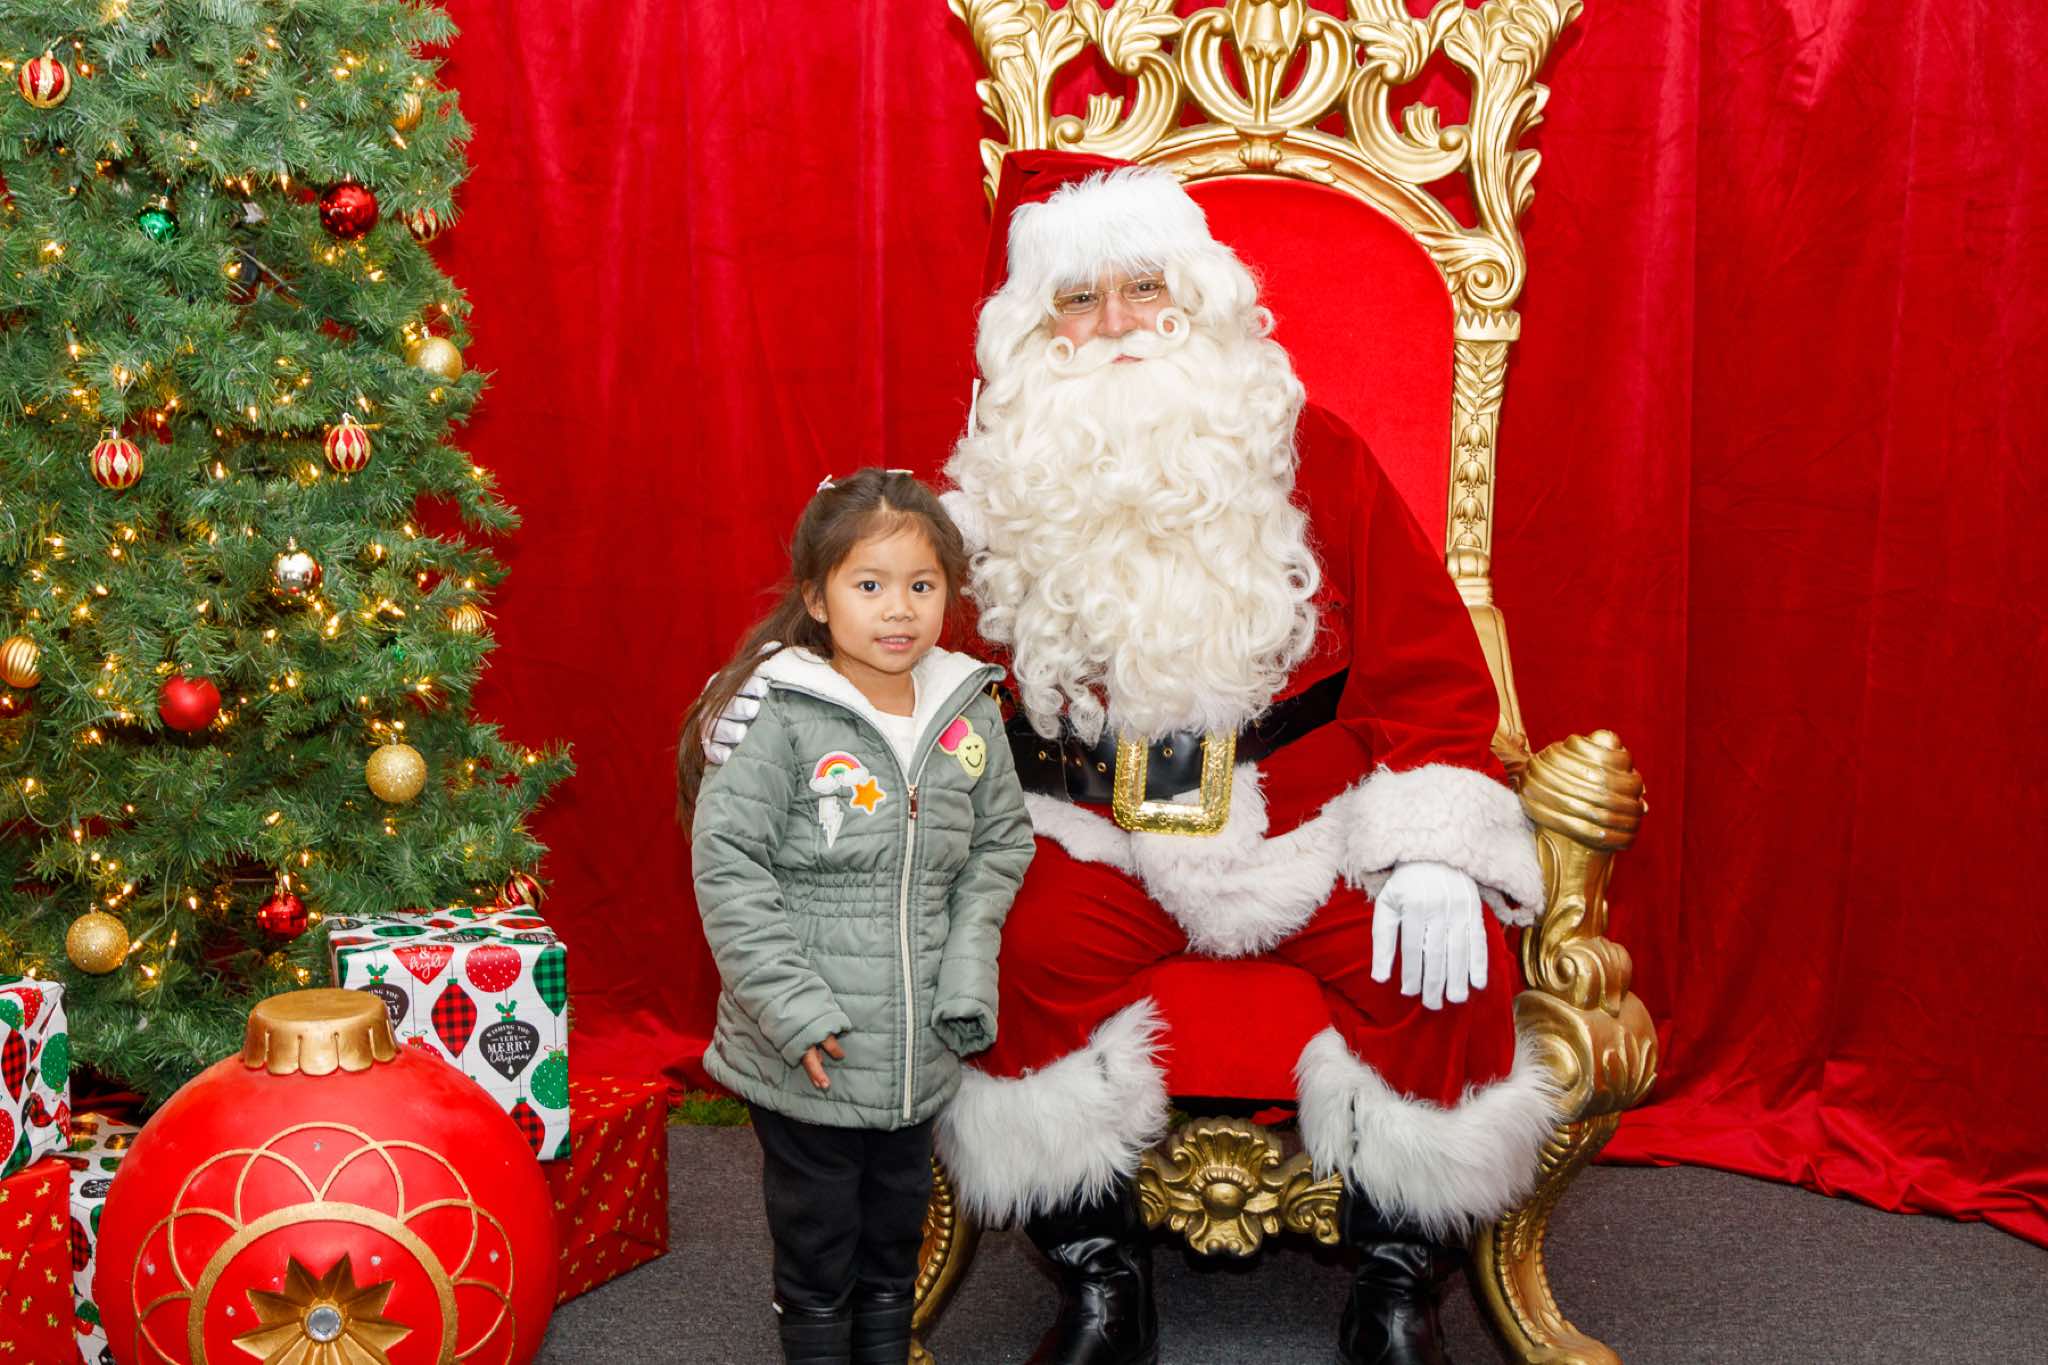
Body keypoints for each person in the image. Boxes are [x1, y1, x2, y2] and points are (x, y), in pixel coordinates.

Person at [707, 157, 1556, 1365]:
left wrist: (1428, 845)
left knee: (1439, 972)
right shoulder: (995, 491)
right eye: (1077, 298)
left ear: (1196, 298)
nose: (1113, 323)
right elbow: (896, 641)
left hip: (1304, 818)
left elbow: (1429, 668)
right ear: (1032, 329)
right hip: (1088, 826)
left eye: (1142, 288)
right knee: (998, 957)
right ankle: (1099, 1282)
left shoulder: (1310, 452)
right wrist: (796, 701)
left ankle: (1395, 1286)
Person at [679, 468, 1035, 1365]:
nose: (898, 609)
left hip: (916, 1048)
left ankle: (885, 1343)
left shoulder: (967, 710)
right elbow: (729, 866)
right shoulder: (782, 713)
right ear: (818, 597)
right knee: (819, 1232)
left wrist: (968, 968)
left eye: (921, 584)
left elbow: (1000, 844)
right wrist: (792, 1007)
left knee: (895, 1228)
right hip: (812, 1046)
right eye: (869, 585)